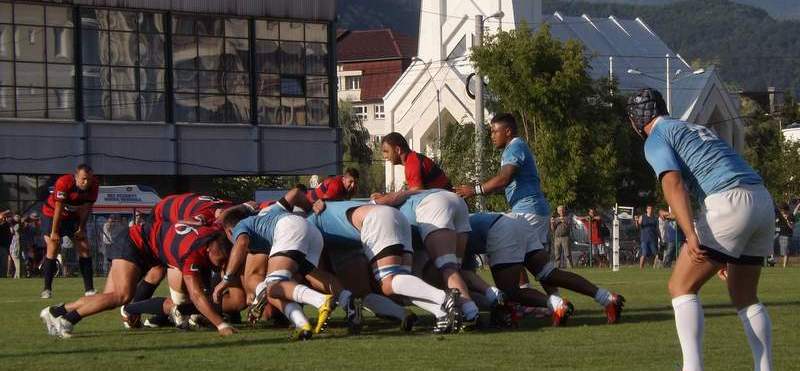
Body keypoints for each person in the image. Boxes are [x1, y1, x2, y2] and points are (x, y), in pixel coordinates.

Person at [628, 88, 774, 371]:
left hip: (727, 201)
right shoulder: (690, 126)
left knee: (680, 286)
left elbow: (673, 184)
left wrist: (691, 234)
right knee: (744, 295)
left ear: (636, 120)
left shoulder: (656, 137)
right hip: (760, 198)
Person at [40, 220, 236, 338]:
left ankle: (56, 312)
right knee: (121, 296)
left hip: (145, 247)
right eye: (218, 261)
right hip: (135, 243)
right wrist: (221, 325)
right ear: (209, 249)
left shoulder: (212, 235)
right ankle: (66, 321)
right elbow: (195, 294)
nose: (219, 266)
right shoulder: (191, 252)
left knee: (108, 298)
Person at [307, 200, 462, 333]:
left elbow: (316, 272)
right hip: (394, 217)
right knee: (399, 286)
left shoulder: (307, 223)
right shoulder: (324, 216)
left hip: (377, 220)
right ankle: (441, 313)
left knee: (388, 282)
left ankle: (444, 297)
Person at [216, 197, 336, 341]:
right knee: (278, 288)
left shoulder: (240, 226)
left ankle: (321, 300)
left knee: (273, 286)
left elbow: (241, 243)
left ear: (229, 231)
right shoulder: (260, 227)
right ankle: (303, 323)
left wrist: (225, 280)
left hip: (290, 228)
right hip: (312, 231)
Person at [374, 189, 481, 329]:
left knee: (447, 267)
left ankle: (470, 312)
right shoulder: (403, 199)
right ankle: (491, 297)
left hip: (433, 206)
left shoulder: (385, 206)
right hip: (455, 201)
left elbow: (389, 200)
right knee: (455, 269)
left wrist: (376, 200)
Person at [40, 164, 99, 298]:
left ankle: (89, 289)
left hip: (72, 217)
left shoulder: (94, 185)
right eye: (83, 179)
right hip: (52, 214)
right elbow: (58, 208)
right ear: (76, 177)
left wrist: (81, 229)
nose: (86, 182)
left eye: (89, 179)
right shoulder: (64, 182)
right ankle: (47, 289)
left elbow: (86, 208)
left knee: (84, 247)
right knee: (53, 247)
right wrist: (54, 232)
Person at [380, 132, 452, 191]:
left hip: (445, 200)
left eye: (386, 151)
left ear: (398, 150)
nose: (385, 156)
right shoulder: (412, 159)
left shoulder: (412, 163)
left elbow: (416, 193)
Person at [637, 205, 660, 269]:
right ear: (646, 210)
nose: (650, 210)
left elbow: (657, 229)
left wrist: (660, 237)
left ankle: (654, 267)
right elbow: (638, 226)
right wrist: (637, 221)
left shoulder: (655, 218)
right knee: (644, 253)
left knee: (656, 254)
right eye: (649, 209)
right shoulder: (642, 217)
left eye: (651, 209)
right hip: (644, 238)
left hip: (653, 239)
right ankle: (641, 268)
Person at [776, 203, 794, 268]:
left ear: (785, 209)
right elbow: (777, 222)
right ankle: (783, 264)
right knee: (783, 251)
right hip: (780, 234)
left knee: (786, 251)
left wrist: (787, 220)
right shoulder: (780, 215)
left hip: (787, 235)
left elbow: (791, 227)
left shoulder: (790, 215)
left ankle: (784, 266)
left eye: (782, 210)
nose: (781, 211)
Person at [0, 210, 12, 277]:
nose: (4, 219)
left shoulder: (6, 225)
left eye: (5, 218)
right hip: (2, 247)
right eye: (3, 218)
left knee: (3, 265)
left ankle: (3, 277)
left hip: (4, 247)